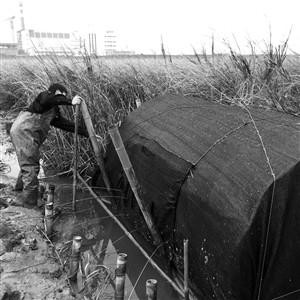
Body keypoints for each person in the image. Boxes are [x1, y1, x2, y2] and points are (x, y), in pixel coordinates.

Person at [10, 83, 89, 208]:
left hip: (25, 133)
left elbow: (65, 124)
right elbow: (51, 99)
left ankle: (19, 192)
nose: (60, 100)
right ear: (56, 92)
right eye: (62, 95)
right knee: (31, 167)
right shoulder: (44, 97)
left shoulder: (51, 111)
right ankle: (29, 204)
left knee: (28, 162)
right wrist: (70, 101)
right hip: (24, 132)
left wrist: (86, 132)